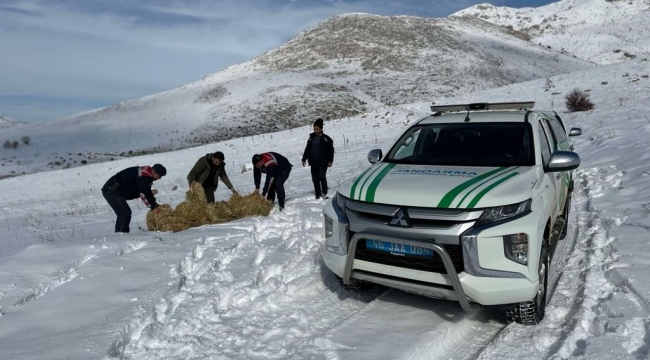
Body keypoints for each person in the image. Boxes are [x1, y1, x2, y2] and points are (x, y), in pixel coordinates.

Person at [102, 164, 166, 233]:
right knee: (125, 212)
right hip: (111, 190)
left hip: (115, 190)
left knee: (123, 212)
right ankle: (122, 234)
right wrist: (153, 207)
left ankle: (120, 233)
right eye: (159, 176)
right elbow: (143, 193)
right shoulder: (144, 176)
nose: (159, 178)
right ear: (154, 172)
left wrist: (155, 204)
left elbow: (147, 191)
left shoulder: (147, 174)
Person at [302, 118, 334, 199]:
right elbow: (307, 148)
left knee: (321, 176)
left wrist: (330, 161)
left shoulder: (326, 139)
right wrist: (304, 158)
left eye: (317, 129)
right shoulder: (311, 138)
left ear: (321, 129)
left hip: (323, 161)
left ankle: (324, 192)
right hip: (313, 161)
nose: (315, 131)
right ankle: (318, 194)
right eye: (314, 129)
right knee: (315, 178)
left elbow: (331, 151)